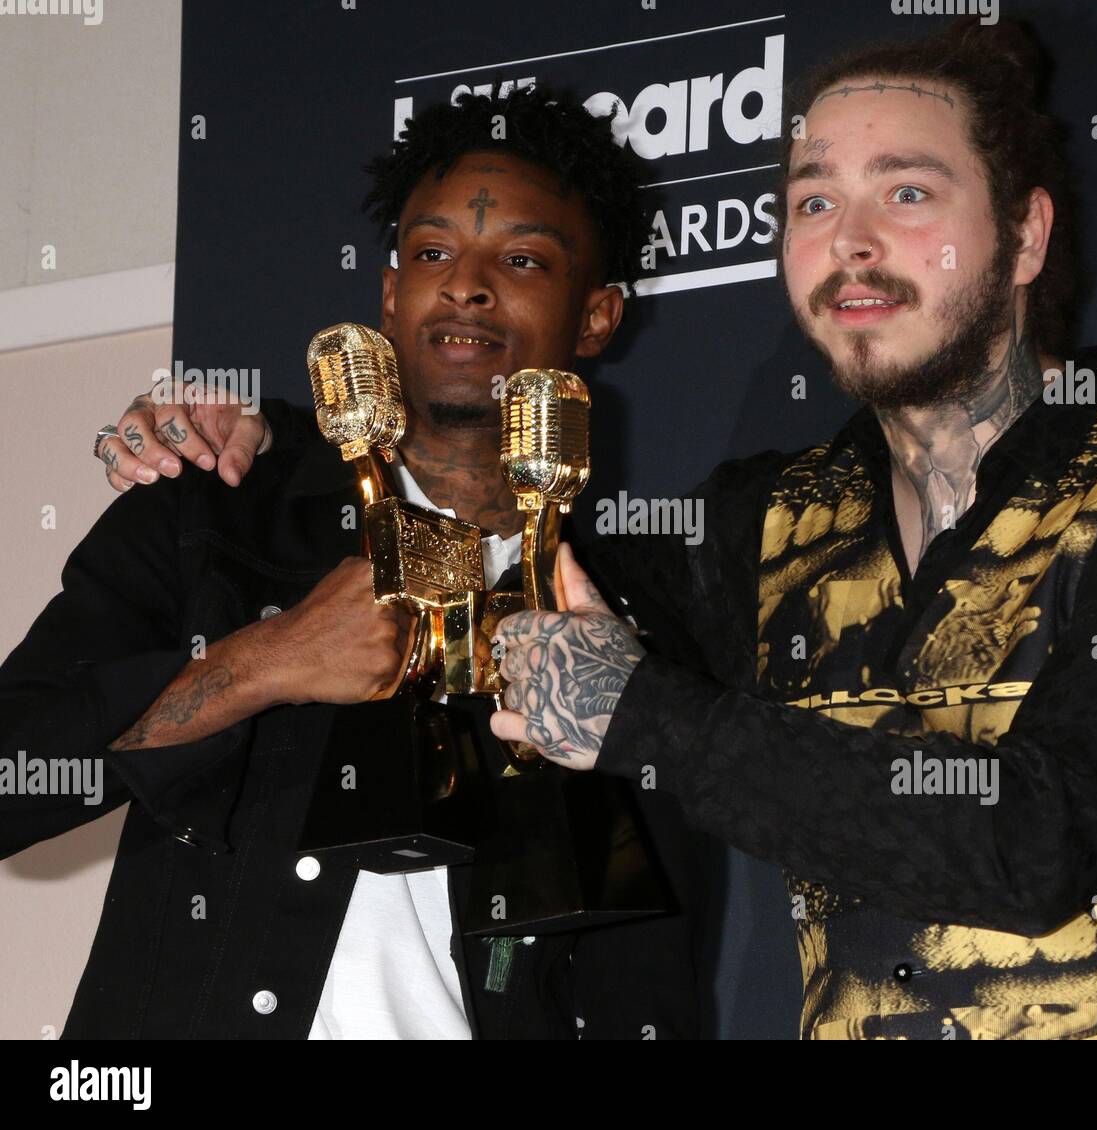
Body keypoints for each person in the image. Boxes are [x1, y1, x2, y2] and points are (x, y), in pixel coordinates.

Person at [486, 19, 1097, 1039]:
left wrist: (646, 717)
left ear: (1026, 235)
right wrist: (267, 455)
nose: (849, 242)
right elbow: (501, 571)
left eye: (906, 192)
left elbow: (1033, 843)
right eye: (813, 201)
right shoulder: (765, 521)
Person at [2, 81, 698, 1040]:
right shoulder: (220, 513)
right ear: (388, 292)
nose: (466, 284)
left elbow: (647, 981)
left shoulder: (634, 620)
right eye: (432, 253)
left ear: (597, 319)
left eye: (523, 258)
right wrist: (263, 662)